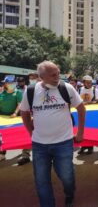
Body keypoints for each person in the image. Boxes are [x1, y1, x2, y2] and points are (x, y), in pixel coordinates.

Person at [20, 61, 86, 207]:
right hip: (39, 145)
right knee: (41, 180)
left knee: (66, 176)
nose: (58, 78)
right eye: (53, 75)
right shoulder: (30, 91)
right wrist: (31, 133)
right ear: (41, 77)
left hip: (63, 143)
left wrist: (80, 132)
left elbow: (81, 109)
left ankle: (70, 193)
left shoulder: (66, 88)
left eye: (58, 73)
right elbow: (24, 113)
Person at [0, 75, 23, 161]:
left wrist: (15, 113)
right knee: (2, 136)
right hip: (2, 119)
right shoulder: (2, 93)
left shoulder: (17, 92)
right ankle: (2, 153)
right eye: (8, 83)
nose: (10, 84)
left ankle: (25, 154)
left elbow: (19, 104)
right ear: (5, 84)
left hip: (14, 118)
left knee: (21, 136)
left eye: (12, 83)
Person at [77, 75, 98, 155]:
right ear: (84, 83)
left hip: (92, 112)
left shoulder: (95, 90)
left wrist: (89, 103)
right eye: (87, 82)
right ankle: (83, 146)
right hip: (81, 111)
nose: (89, 84)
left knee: (90, 129)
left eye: (90, 82)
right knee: (82, 128)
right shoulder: (80, 89)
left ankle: (90, 147)